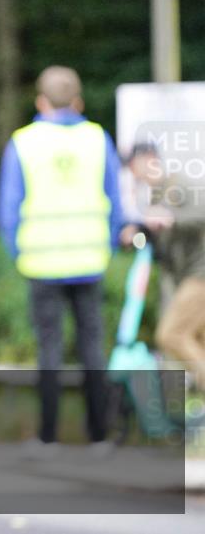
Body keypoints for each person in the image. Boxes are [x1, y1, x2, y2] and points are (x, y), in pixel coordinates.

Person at [0, 65, 125, 457]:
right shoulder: (97, 138)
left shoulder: (23, 142)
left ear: (40, 102)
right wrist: (108, 247)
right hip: (90, 259)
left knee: (49, 350)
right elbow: (117, 202)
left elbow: (8, 210)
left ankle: (49, 438)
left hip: (41, 264)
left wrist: (19, 252)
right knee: (92, 347)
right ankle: (99, 435)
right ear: (78, 102)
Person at [125, 142, 205, 390]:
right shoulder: (157, 194)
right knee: (196, 340)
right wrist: (138, 233)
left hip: (200, 273)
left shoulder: (177, 185)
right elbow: (165, 239)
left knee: (171, 334)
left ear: (148, 160)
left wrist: (172, 220)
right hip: (188, 276)